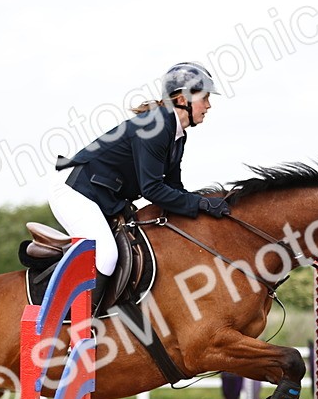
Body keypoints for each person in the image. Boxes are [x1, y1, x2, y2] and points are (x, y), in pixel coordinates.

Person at [49, 62, 231, 314]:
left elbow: (174, 187)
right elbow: (153, 190)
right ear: (182, 99)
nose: (209, 106)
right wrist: (200, 203)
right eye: (205, 98)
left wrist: (203, 206)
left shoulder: (177, 134)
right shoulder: (154, 128)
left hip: (101, 195)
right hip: (75, 191)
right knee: (107, 255)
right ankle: (81, 324)